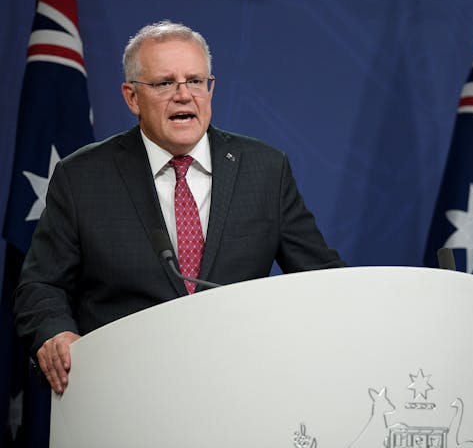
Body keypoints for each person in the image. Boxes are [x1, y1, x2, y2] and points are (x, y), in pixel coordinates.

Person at [14, 20, 344, 393]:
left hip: (240, 387)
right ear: (132, 97)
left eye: (195, 81)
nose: (183, 95)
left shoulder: (266, 170)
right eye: (164, 83)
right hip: (124, 390)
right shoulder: (82, 177)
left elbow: (323, 279)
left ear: (210, 88)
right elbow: (40, 285)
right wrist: (56, 333)